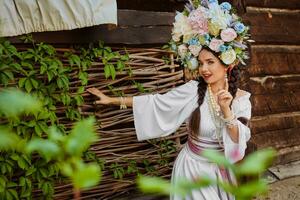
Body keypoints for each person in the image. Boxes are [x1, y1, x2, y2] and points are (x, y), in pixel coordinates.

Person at [87, 1, 252, 199]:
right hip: (193, 171)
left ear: (228, 64)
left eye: (210, 62)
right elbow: (155, 102)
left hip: (222, 174)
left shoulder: (241, 100)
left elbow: (238, 145)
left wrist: (227, 111)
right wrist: (112, 100)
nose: (204, 69)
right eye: (200, 63)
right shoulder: (194, 91)